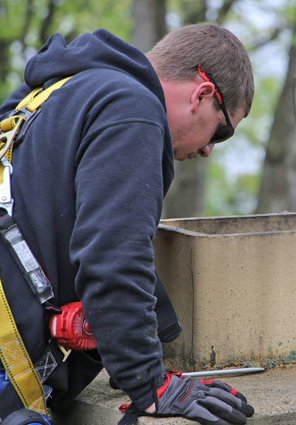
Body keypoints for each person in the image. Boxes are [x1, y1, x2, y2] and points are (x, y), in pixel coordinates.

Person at [0, 23, 254, 425]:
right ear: (203, 94)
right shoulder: (132, 109)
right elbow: (113, 254)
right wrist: (149, 382)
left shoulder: (54, 91)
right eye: (221, 131)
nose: (207, 149)